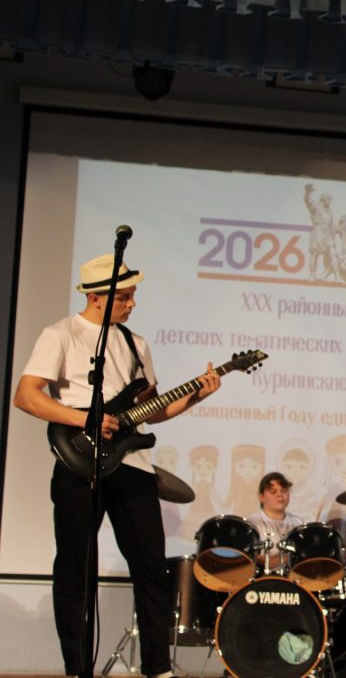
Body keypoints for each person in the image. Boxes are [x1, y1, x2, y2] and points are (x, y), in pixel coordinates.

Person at [13, 253, 222, 678]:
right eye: (124, 297)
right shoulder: (61, 334)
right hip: (78, 461)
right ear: (96, 297)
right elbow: (26, 395)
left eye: (132, 296)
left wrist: (197, 394)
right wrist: (84, 419)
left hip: (133, 465)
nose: (132, 304)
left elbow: (153, 411)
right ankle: (77, 668)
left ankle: (158, 667)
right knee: (74, 566)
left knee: (151, 565)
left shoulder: (135, 344)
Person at [247, 471, 305, 573]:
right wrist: (290, 556)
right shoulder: (253, 523)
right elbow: (252, 559)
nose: (280, 495)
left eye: (284, 491)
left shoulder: (297, 522)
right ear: (261, 497)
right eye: (273, 492)